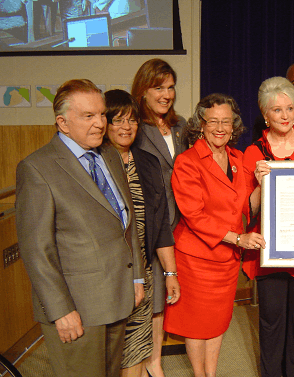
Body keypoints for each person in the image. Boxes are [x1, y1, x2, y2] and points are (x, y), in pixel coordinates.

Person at [15, 79, 144, 377]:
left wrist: (136, 276)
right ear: (62, 122)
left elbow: (127, 221)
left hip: (118, 297)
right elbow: (37, 250)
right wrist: (61, 310)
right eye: (88, 116)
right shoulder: (37, 168)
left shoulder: (110, 155)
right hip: (77, 308)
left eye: (102, 114)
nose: (100, 123)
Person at [164, 93, 265, 377]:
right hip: (197, 259)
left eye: (226, 122)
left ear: (234, 126)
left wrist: (263, 183)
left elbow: (248, 205)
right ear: (200, 125)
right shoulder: (187, 161)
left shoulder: (238, 157)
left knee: (219, 322)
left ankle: (211, 373)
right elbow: (194, 215)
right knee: (197, 324)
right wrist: (238, 238)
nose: (220, 128)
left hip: (227, 260)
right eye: (213, 122)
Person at [243, 76, 294, 377]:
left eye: (290, 108)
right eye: (277, 110)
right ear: (265, 115)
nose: (285, 115)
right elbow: (246, 210)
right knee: (272, 320)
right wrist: (260, 185)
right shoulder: (253, 153)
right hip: (271, 254)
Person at [103, 89, 180, 377]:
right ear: (105, 123)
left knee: (137, 345)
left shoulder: (147, 163)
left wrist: (170, 273)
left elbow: (160, 224)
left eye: (132, 120)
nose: (126, 127)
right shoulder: (95, 163)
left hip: (143, 272)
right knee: (109, 351)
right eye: (118, 120)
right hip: (108, 275)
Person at [131, 58, 188, 377]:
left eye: (170, 87)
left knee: (167, 296)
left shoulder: (180, 126)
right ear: (143, 90)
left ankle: (154, 359)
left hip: (181, 221)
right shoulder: (136, 127)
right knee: (150, 298)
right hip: (152, 223)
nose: (166, 94)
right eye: (158, 87)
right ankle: (150, 362)